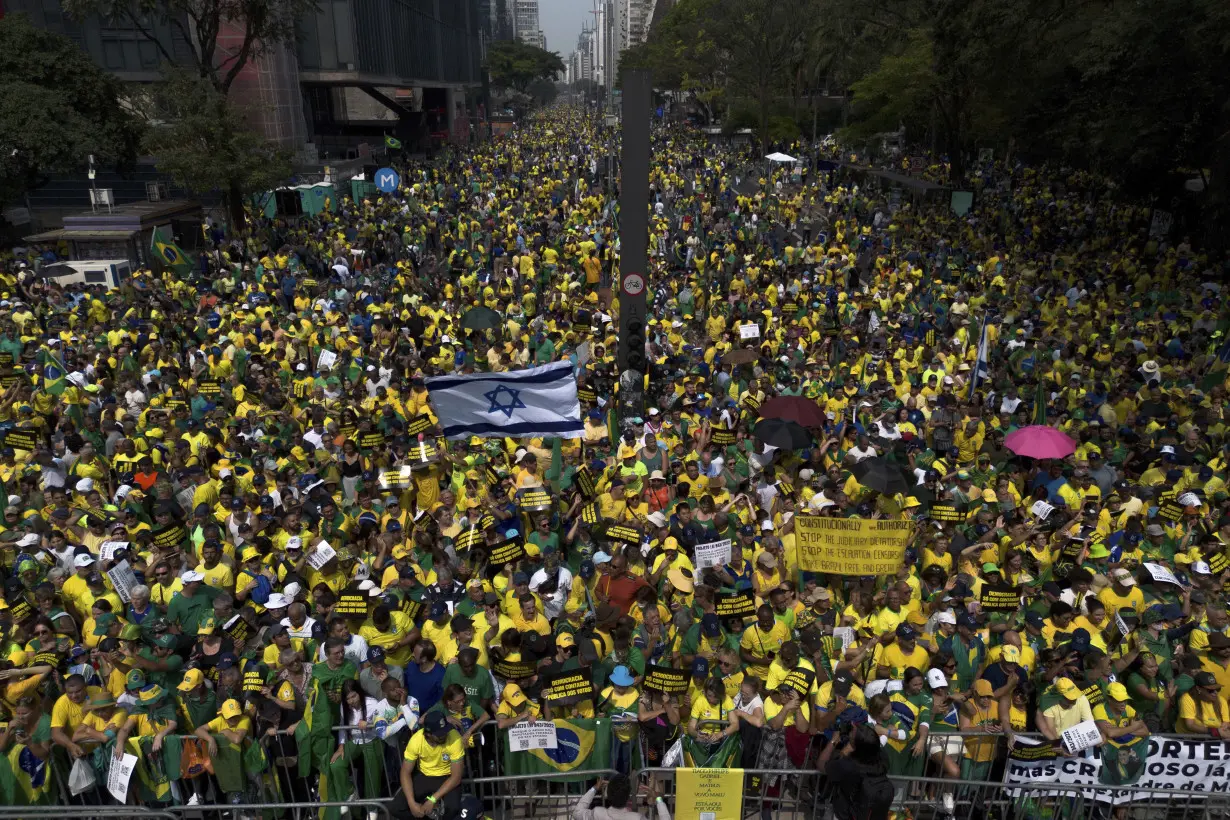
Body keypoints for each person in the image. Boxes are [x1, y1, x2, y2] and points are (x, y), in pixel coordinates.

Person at [390, 710, 464, 819]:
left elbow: (456, 777)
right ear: (428, 733)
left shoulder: (454, 737)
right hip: (425, 775)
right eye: (439, 734)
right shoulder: (416, 741)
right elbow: (405, 772)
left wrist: (433, 799)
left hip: (447, 777)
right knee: (396, 808)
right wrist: (411, 803)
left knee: (452, 808)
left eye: (445, 731)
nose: (444, 735)